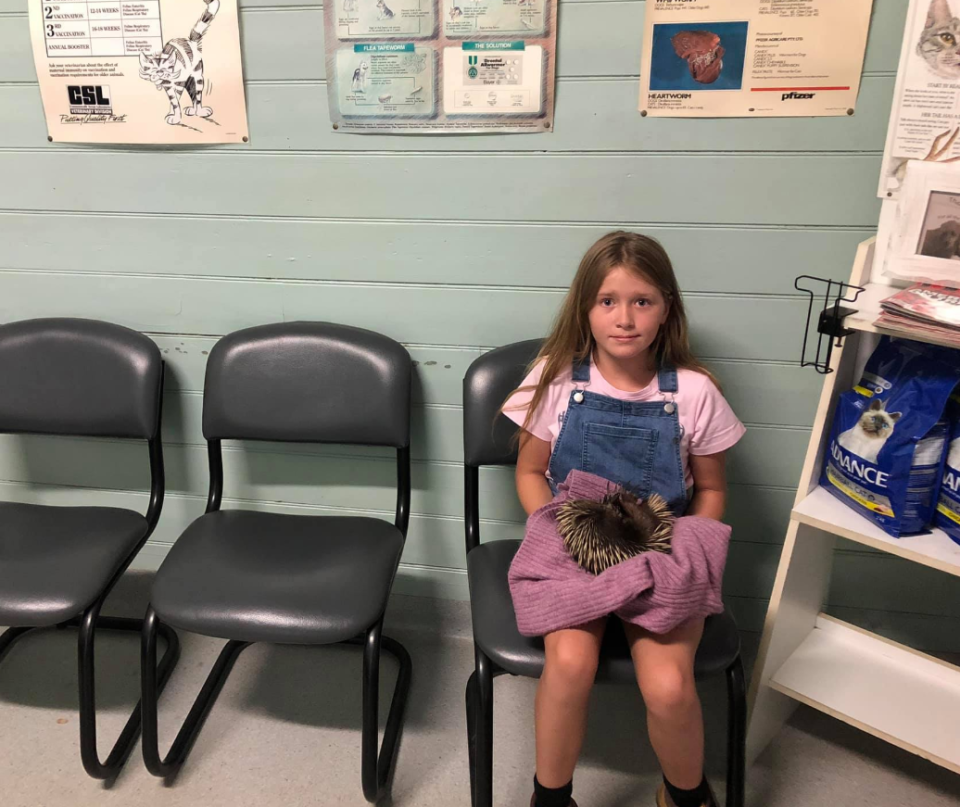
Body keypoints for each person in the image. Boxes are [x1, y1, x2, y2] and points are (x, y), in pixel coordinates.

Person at [502, 231, 746, 807]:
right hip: (573, 543)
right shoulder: (556, 378)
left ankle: (685, 795)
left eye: (643, 301)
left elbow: (711, 490)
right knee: (569, 664)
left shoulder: (695, 392)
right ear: (585, 308)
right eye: (608, 301)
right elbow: (530, 474)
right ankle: (551, 796)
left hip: (661, 549)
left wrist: (689, 549)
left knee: (667, 686)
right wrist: (562, 530)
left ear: (667, 309)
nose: (625, 318)